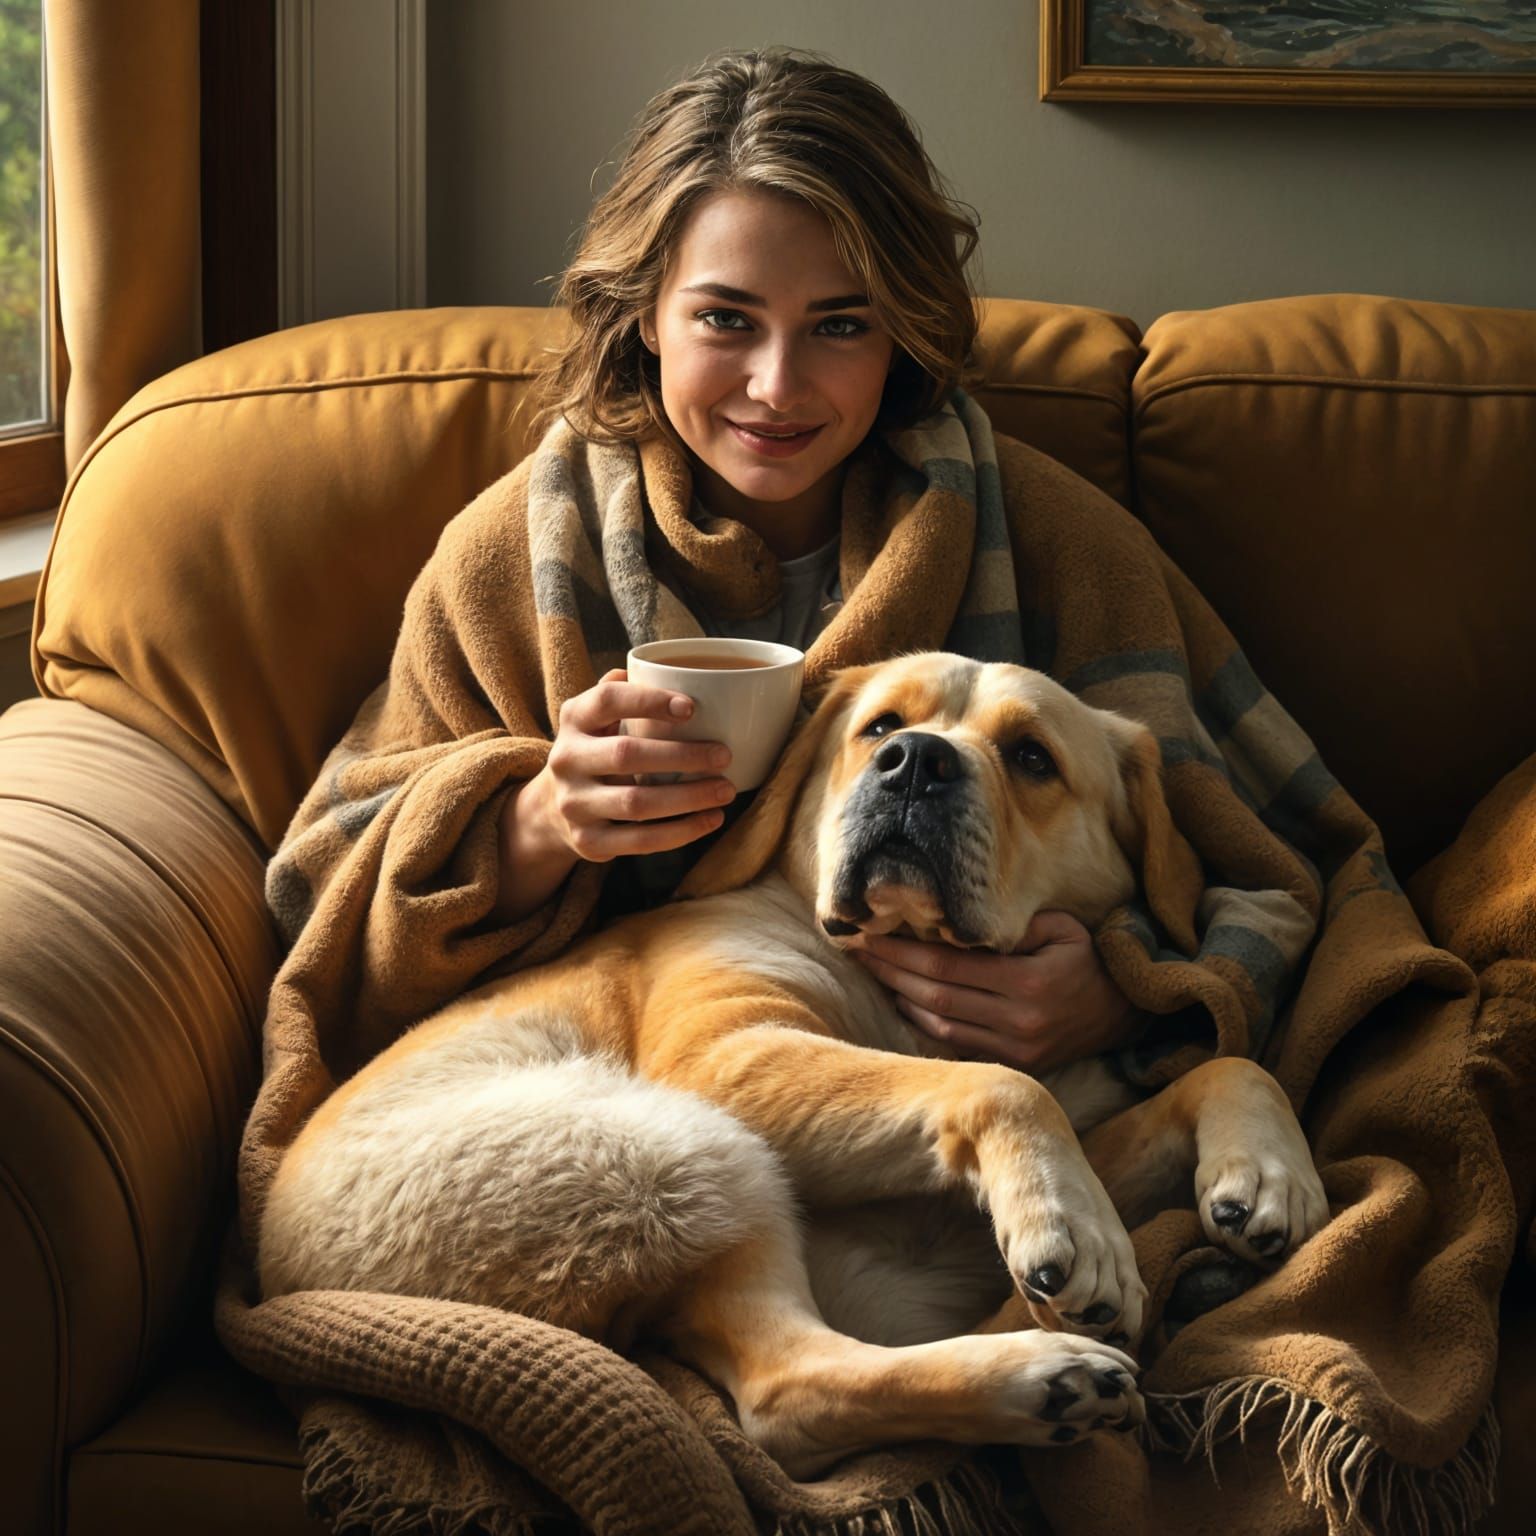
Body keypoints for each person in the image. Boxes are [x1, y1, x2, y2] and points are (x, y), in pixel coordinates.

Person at [484, 46, 1152, 1075]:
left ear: (902, 334)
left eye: (840, 325)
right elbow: (326, 877)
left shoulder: (1054, 532)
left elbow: (1252, 860)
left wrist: (1119, 994)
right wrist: (538, 822)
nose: (777, 386)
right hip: (622, 1072)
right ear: (646, 315)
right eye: (725, 319)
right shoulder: (521, 549)